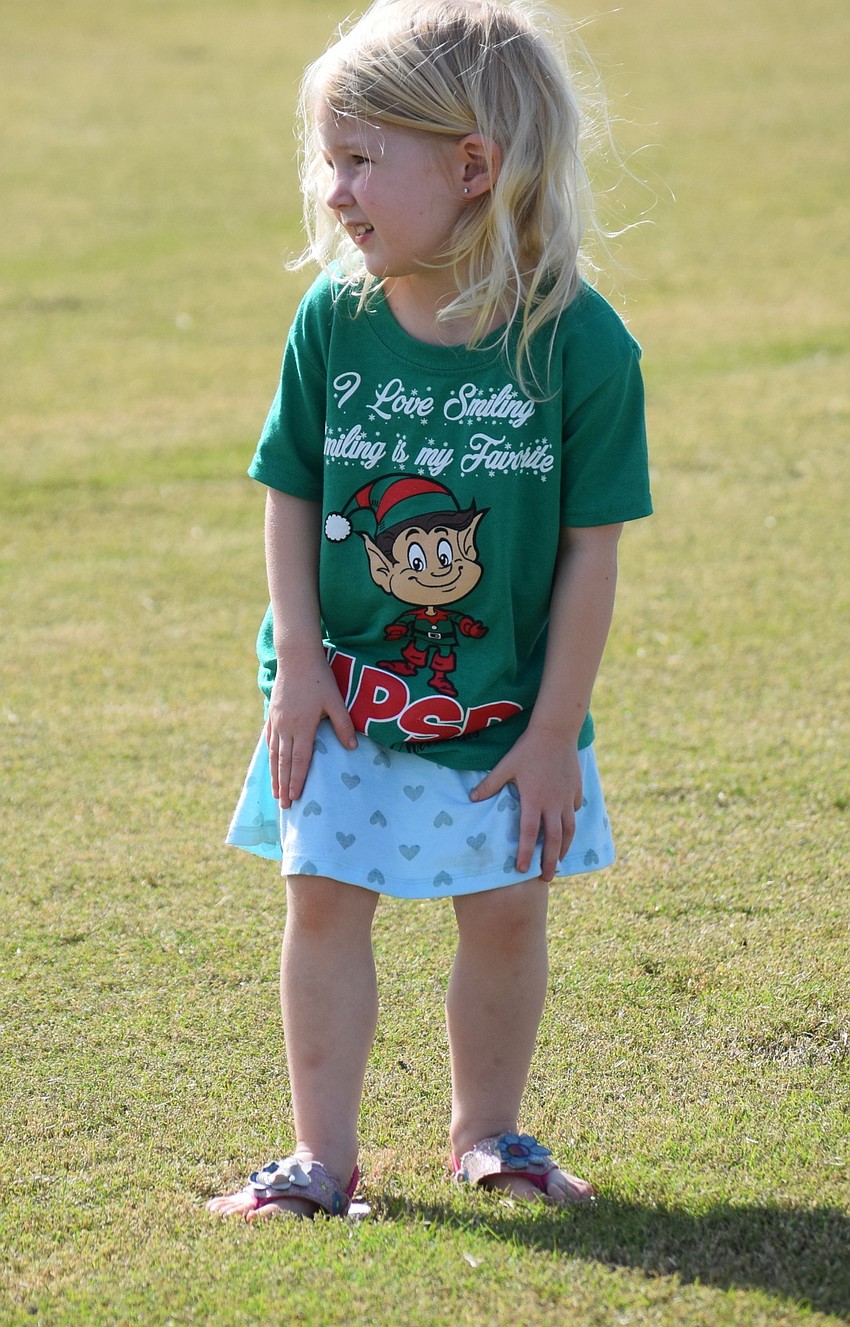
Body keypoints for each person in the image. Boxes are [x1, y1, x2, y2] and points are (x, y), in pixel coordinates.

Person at [208, 0, 652, 1221]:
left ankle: (488, 1135)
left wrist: (555, 729)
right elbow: (290, 491)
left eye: (360, 158)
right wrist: (296, 663)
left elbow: (589, 556)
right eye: (327, 156)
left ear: (472, 167)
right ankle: (320, 1161)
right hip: (343, 695)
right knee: (324, 904)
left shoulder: (580, 347)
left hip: (506, 709)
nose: (332, 187)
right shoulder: (334, 323)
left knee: (506, 912)